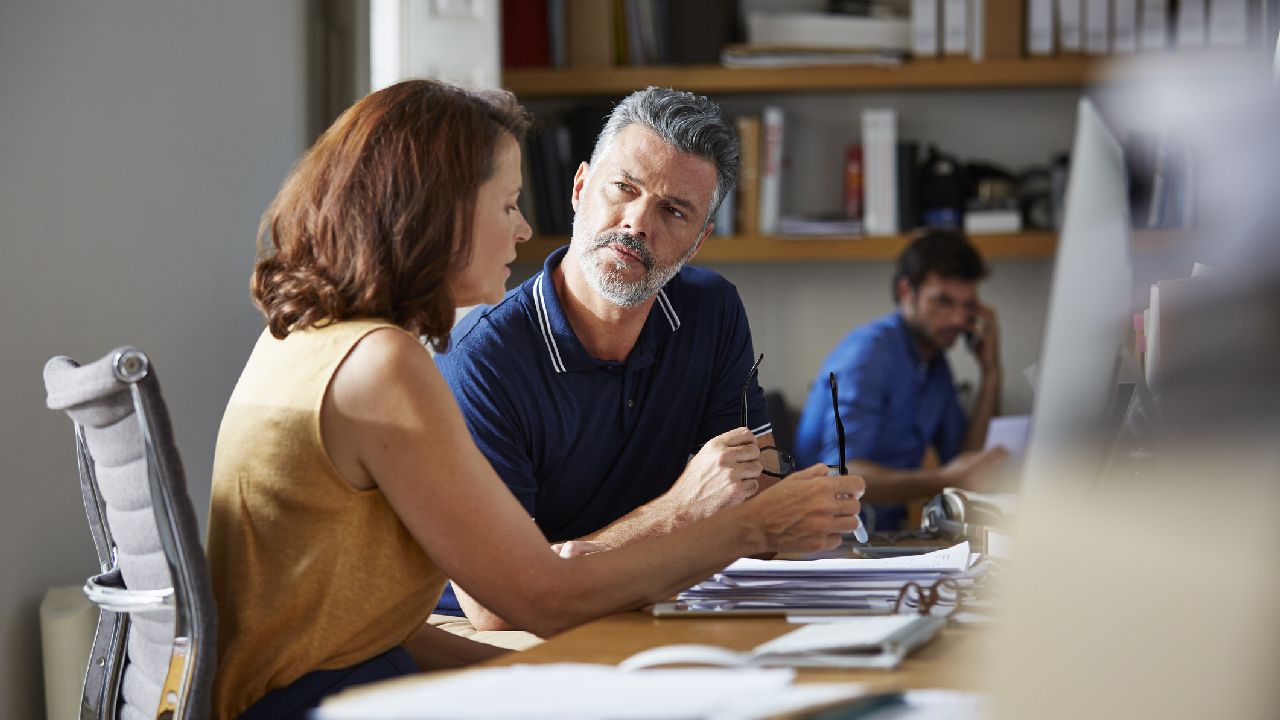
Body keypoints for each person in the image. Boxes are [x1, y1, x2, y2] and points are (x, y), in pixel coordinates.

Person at [205, 79, 862, 719]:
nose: (522, 231)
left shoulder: (303, 339)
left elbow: (360, 628)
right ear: (439, 212)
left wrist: (536, 671)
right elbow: (536, 599)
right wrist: (747, 526)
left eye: (673, 210)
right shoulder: (384, 365)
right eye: (508, 203)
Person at [431, 86, 796, 630]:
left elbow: (757, 495)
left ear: (697, 242)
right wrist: (681, 513)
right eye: (623, 188)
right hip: (505, 647)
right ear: (580, 188)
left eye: (674, 211)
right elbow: (499, 606)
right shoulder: (481, 360)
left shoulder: (711, 310)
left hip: (653, 610)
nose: (637, 224)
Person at [793, 231, 1007, 532]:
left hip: (883, 536)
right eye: (944, 302)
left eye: (969, 306)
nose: (959, 320)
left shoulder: (935, 364)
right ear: (907, 292)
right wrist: (944, 480)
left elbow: (968, 463)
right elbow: (840, 475)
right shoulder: (868, 355)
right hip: (825, 539)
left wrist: (991, 372)